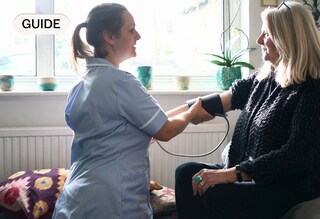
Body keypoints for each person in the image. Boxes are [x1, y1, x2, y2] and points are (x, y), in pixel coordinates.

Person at [175, 1, 320, 219]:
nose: (259, 41)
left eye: (265, 34)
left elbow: (295, 156)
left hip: (298, 183)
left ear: (287, 40)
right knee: (186, 173)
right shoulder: (265, 77)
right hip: (257, 176)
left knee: (220, 194)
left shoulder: (316, 86)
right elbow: (217, 102)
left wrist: (234, 174)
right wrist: (160, 122)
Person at [52, 3, 212, 219]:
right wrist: (192, 115)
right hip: (110, 201)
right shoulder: (121, 82)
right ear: (109, 36)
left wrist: (187, 108)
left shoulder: (81, 85)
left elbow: (145, 125)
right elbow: (164, 131)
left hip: (76, 199)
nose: (138, 35)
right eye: (131, 29)